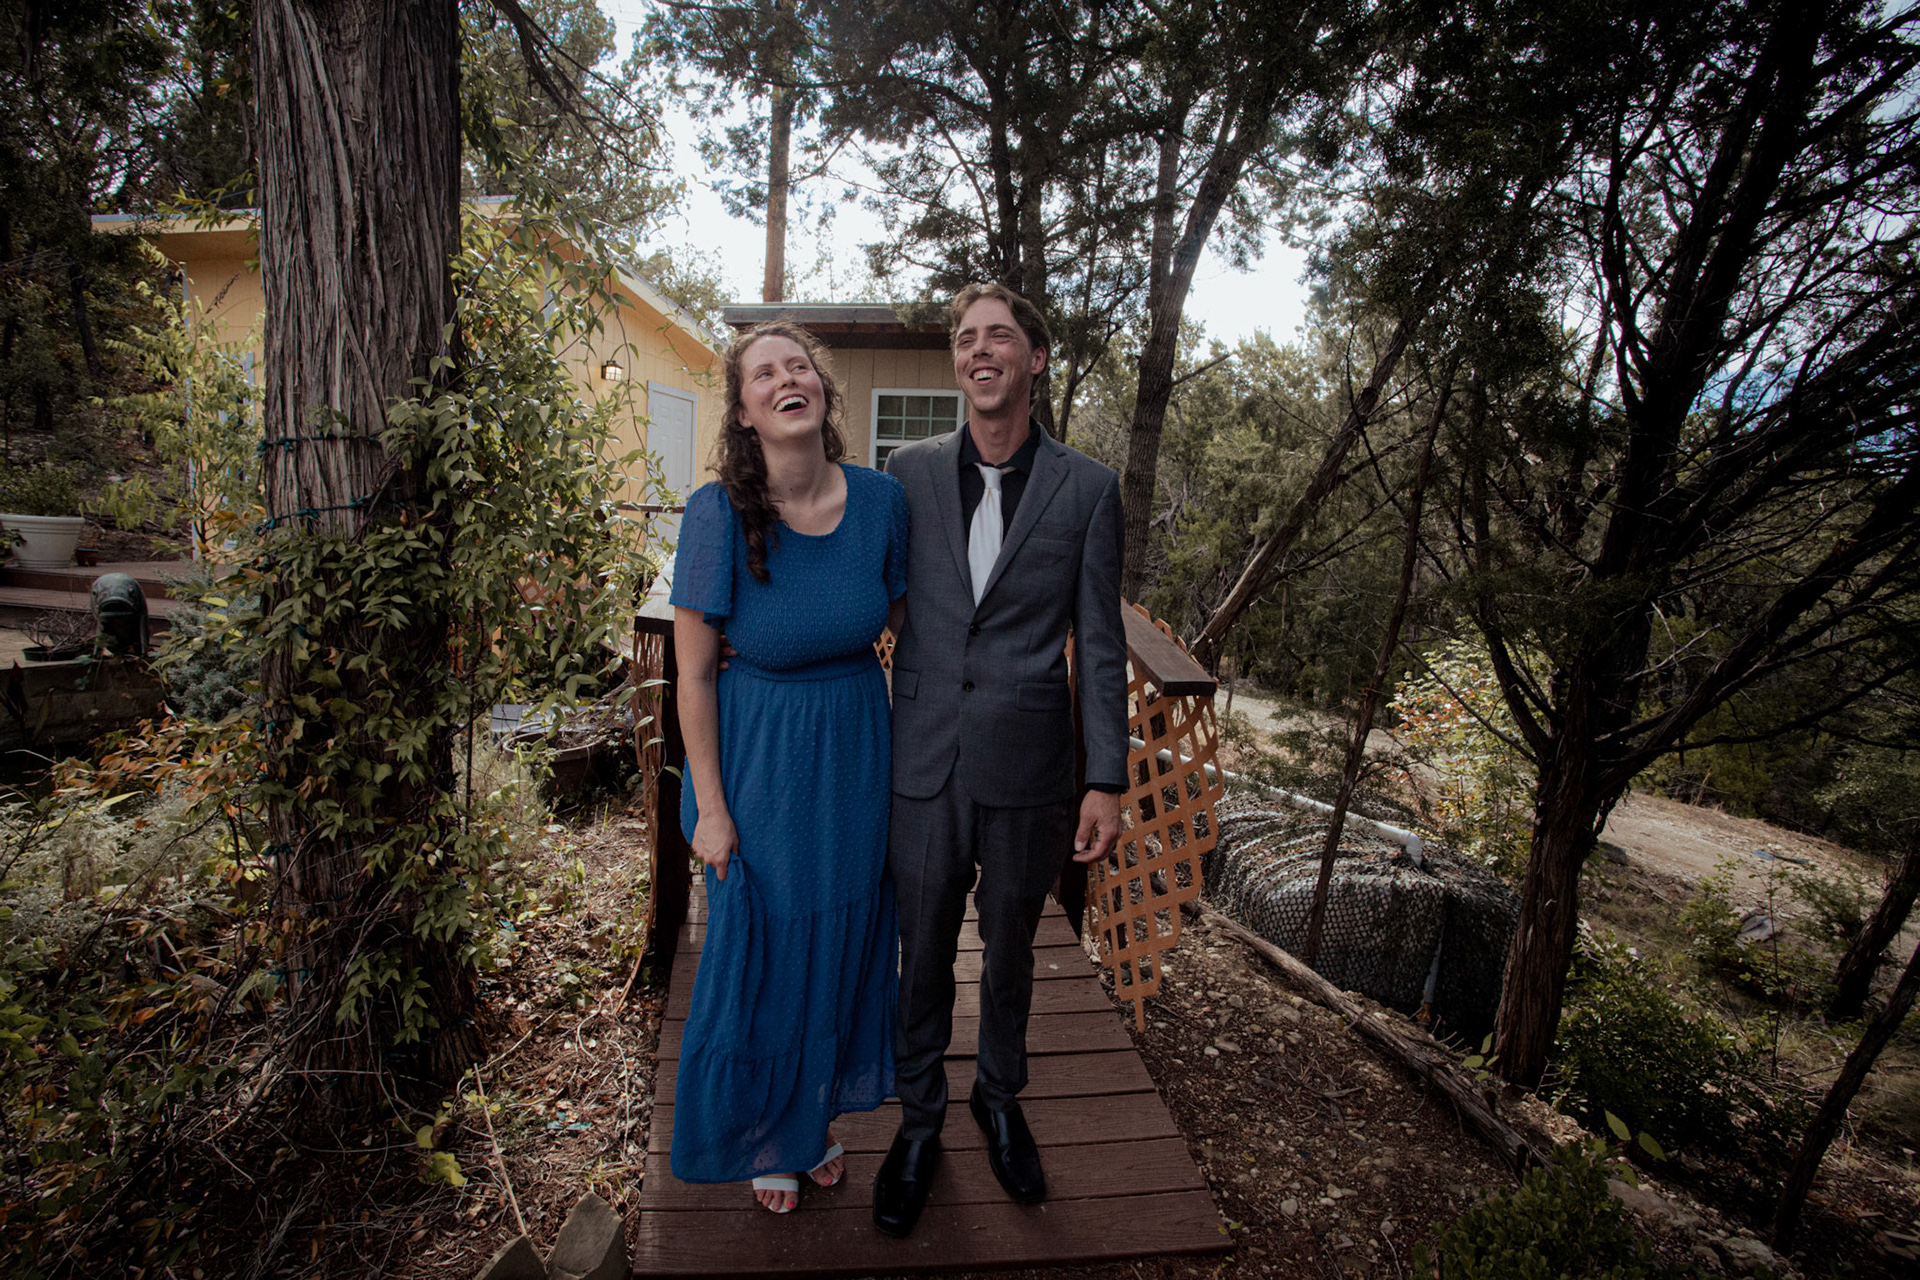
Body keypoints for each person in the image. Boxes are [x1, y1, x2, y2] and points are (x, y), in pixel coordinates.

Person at [872, 283, 1128, 1238]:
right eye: (966, 339)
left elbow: (1100, 644)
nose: (980, 351)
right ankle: (919, 1121)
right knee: (922, 955)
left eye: (1000, 337)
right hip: (923, 758)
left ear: (1036, 359)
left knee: (1012, 953)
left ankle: (999, 1098)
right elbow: (868, 585)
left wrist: (1105, 778)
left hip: (1030, 767)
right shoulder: (904, 474)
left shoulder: (1088, 489)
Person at [667, 320, 908, 1214]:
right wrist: (711, 808)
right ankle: (765, 1132)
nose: (784, 379)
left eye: (797, 365)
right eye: (763, 374)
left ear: (821, 389)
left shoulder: (882, 502)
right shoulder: (716, 514)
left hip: (854, 755)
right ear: (745, 412)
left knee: (841, 939)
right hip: (757, 762)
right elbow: (694, 675)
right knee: (763, 949)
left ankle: (811, 1120)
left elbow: (906, 623)